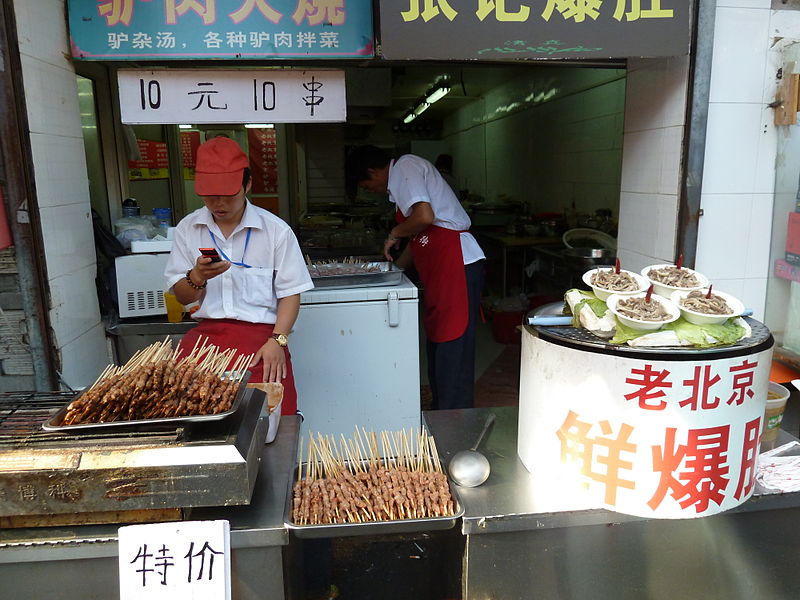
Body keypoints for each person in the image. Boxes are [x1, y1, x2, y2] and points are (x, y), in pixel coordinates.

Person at [164, 136, 313, 415]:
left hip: (262, 342)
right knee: (193, 421)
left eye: (228, 194)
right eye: (210, 195)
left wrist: (278, 340)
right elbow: (182, 296)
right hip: (205, 343)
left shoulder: (275, 231)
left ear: (248, 184)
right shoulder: (188, 228)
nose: (219, 203)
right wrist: (197, 276)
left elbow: (291, 293)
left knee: (270, 424)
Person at [346, 146, 485, 410]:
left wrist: (394, 232)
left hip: (457, 263)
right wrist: (392, 271)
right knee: (439, 343)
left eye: (366, 184)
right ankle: (442, 410)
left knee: (453, 344)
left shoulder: (405, 167)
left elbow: (424, 217)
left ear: (372, 171)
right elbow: (419, 239)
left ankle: (454, 418)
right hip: (442, 270)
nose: (371, 190)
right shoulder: (401, 182)